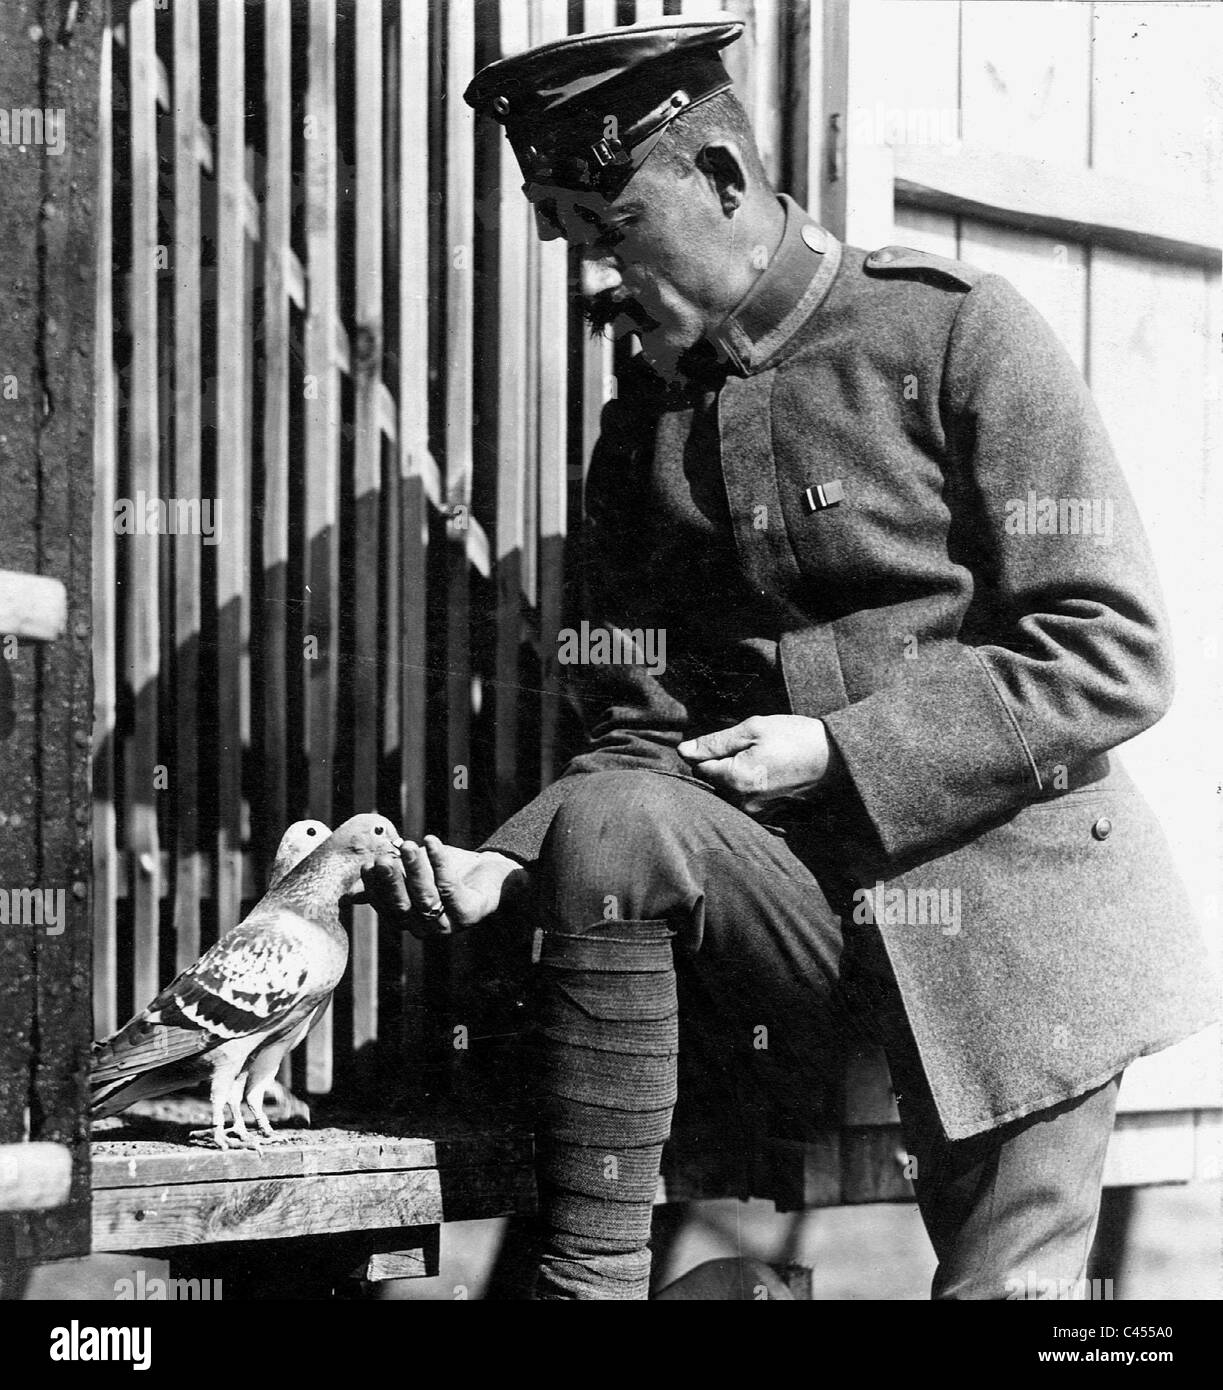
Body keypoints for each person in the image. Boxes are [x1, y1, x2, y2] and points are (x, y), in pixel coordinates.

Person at [361, 16, 1218, 1299]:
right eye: (565, 234)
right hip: (813, 930)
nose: (590, 267)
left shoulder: (952, 333)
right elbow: (639, 732)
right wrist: (507, 863)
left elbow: (1111, 651)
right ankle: (582, 1284)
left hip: (1019, 919)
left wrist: (834, 746)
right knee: (607, 819)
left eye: (611, 226)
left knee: (1011, 1303)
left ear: (718, 178)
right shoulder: (638, 436)